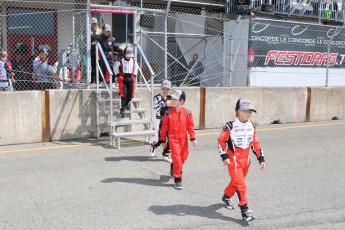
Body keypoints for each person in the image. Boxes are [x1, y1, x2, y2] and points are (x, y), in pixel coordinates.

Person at [217, 98, 266, 223]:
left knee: (236, 182)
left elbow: (255, 143)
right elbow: (221, 141)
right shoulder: (230, 126)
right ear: (237, 111)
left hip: (246, 159)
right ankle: (245, 210)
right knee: (242, 185)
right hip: (233, 158)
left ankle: (227, 196)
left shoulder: (252, 125)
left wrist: (261, 158)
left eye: (249, 111)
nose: (247, 113)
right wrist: (224, 156)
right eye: (244, 111)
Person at [159, 90, 197, 190]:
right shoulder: (168, 112)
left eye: (175, 99)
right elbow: (164, 127)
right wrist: (163, 140)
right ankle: (178, 179)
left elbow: (190, 126)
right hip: (173, 138)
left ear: (181, 101)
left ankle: (174, 166)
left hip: (183, 139)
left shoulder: (187, 112)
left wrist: (193, 138)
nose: (172, 101)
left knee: (184, 156)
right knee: (177, 158)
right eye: (171, 99)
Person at [150, 80, 172, 163]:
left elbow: (170, 109)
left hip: (168, 121)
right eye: (164, 89)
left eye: (167, 89)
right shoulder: (157, 97)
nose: (165, 91)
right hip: (159, 120)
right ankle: (153, 146)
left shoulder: (170, 97)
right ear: (161, 89)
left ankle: (165, 155)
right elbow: (155, 108)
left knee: (167, 138)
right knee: (158, 138)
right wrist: (162, 104)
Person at [114, 46, 138, 118]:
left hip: (131, 78)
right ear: (124, 54)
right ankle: (122, 109)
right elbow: (115, 67)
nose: (129, 57)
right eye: (127, 55)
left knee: (130, 94)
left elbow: (136, 68)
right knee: (123, 94)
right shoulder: (120, 60)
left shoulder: (133, 61)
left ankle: (126, 104)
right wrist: (118, 75)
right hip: (123, 78)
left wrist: (134, 75)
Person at [90, 17, 102, 83]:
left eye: (95, 23)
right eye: (92, 23)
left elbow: (102, 40)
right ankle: (91, 80)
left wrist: (97, 42)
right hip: (91, 50)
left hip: (98, 50)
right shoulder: (89, 31)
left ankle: (98, 79)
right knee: (91, 66)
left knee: (97, 65)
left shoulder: (100, 31)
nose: (94, 25)